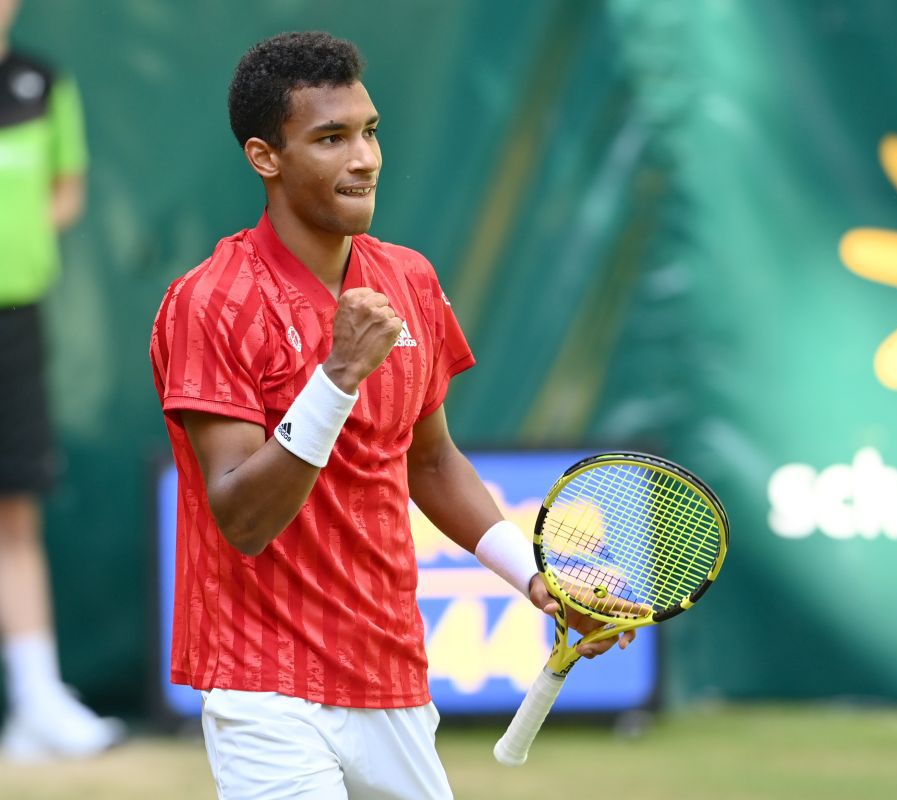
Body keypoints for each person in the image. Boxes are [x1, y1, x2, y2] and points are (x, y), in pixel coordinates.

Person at [150, 31, 633, 799]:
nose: (364, 158)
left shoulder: (410, 279)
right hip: (263, 685)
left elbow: (430, 461)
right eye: (331, 138)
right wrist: (338, 377)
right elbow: (242, 518)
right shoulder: (210, 303)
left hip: (392, 674)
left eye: (369, 132)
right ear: (265, 157)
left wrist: (535, 579)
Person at [0, 0, 124, 761]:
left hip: (16, 322)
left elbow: (66, 190)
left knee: (15, 511)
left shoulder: (42, 84)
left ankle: (37, 700)